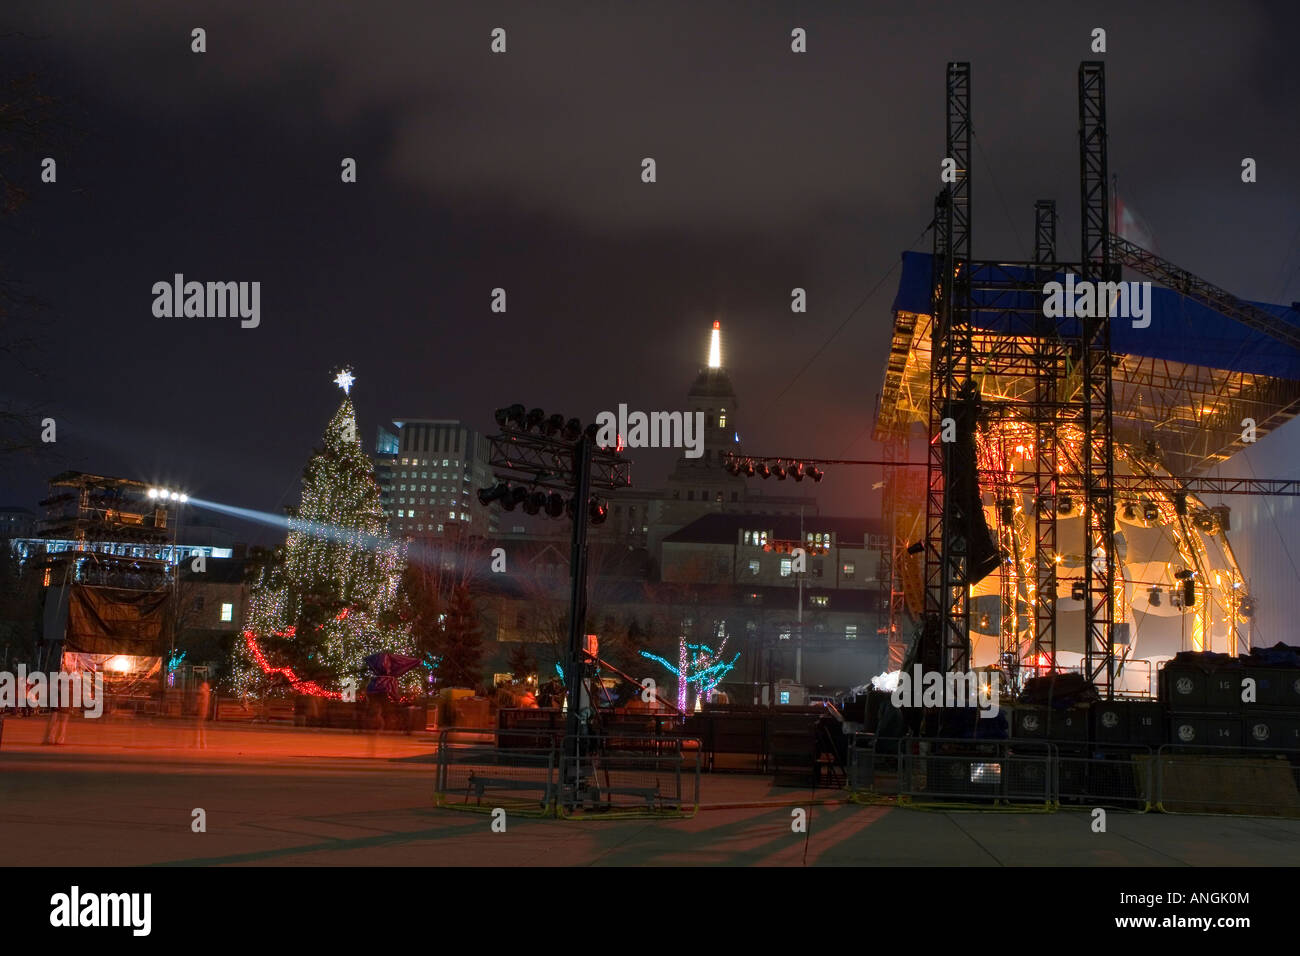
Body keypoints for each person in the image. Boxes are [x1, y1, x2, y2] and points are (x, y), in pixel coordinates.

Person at [194, 679, 211, 749]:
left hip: (202, 711)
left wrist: (196, 707)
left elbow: (199, 701)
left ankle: (199, 743)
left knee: (199, 727)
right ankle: (201, 743)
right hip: (203, 711)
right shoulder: (207, 693)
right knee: (200, 727)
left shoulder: (203, 693)